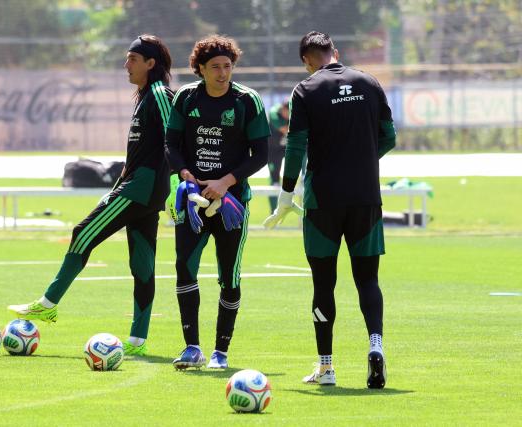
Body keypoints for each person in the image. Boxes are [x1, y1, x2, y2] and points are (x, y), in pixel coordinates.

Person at [7, 35, 174, 357]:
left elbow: (175, 140)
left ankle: (47, 304)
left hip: (144, 188)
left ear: (151, 64)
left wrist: (182, 181)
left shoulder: (159, 94)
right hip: (139, 186)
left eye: (132, 59)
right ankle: (138, 341)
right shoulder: (144, 97)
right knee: (142, 263)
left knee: (82, 232)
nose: (126, 65)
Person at [264, 31, 396, 389]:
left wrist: (286, 193)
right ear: (334, 52)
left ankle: (326, 367)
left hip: (322, 202)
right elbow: (390, 137)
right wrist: (363, 161)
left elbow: (294, 146)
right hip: (366, 197)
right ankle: (376, 345)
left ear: (307, 60)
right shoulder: (369, 83)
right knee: (368, 279)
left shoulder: (306, 90)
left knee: (324, 283)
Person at [164, 35, 270, 370]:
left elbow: (262, 154)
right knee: (184, 267)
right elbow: (171, 144)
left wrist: (225, 183)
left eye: (227, 66)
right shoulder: (185, 98)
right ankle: (191, 347)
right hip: (193, 200)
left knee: (229, 276)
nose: (223, 73)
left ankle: (220, 352)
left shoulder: (247, 101)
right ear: (200, 69)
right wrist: (186, 175)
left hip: (231, 204)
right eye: (215, 67)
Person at [266, 101, 290, 213]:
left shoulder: (292, 113)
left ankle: (304, 175)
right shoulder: (274, 112)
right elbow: (285, 129)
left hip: (284, 147)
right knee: (275, 180)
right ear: (283, 109)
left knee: (304, 147)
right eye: (288, 112)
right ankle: (273, 211)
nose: (289, 115)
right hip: (272, 150)